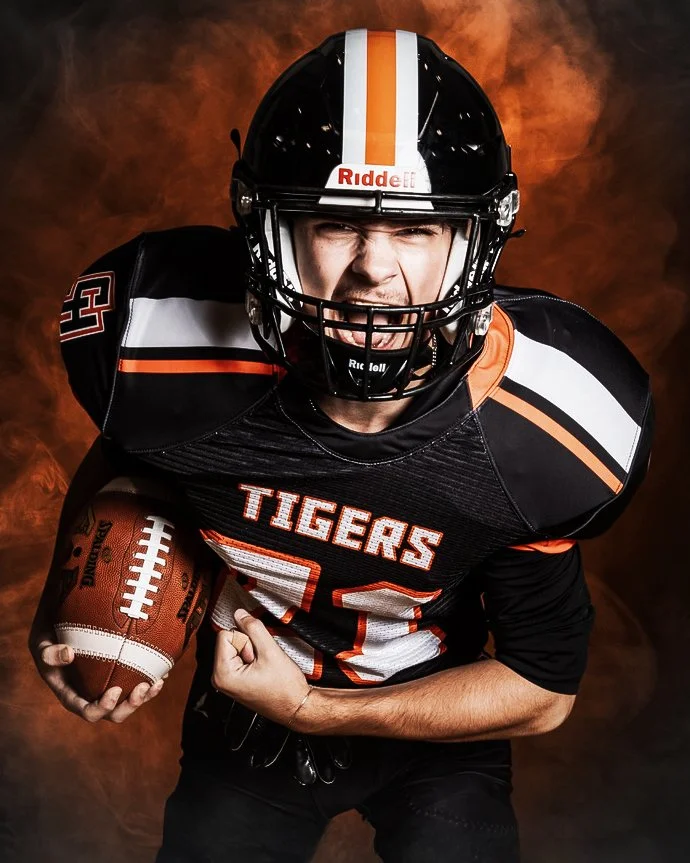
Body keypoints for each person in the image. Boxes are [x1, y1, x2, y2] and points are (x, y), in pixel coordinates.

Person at [28, 28, 653, 863]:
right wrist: (74, 591)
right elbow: (130, 460)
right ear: (266, 231)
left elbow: (542, 688)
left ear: (478, 242)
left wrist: (315, 709)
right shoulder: (161, 355)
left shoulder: (541, 423)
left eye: (417, 232)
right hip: (242, 720)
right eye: (335, 224)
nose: (373, 272)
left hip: (439, 729)